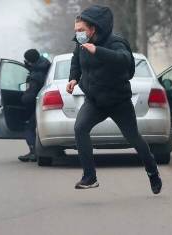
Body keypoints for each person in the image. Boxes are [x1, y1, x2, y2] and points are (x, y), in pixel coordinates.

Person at [66, 5, 162, 193]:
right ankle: (89, 177)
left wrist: (97, 51)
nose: (78, 34)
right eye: (76, 31)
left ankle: (152, 171)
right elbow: (76, 62)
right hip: (94, 101)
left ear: (93, 28)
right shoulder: (81, 44)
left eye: (81, 30)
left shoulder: (115, 42)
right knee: (80, 128)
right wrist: (73, 79)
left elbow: (125, 60)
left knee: (134, 139)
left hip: (118, 101)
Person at [18, 49, 51, 162]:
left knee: (29, 128)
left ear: (30, 61)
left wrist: (22, 98)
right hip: (49, 104)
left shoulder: (36, 75)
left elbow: (29, 97)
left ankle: (33, 152)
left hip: (38, 105)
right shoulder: (47, 66)